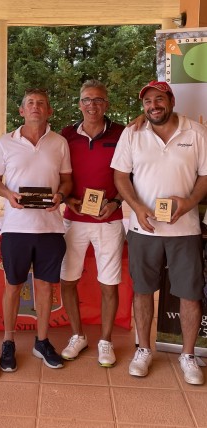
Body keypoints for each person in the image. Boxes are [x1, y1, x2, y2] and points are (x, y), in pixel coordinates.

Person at [111, 81, 207, 385]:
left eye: (159, 99)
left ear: (171, 100)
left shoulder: (195, 132)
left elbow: (206, 176)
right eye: (148, 101)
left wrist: (190, 202)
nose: (154, 105)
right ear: (143, 106)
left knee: (190, 294)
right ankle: (143, 348)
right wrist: (137, 207)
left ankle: (188, 355)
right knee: (142, 291)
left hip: (185, 229)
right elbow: (120, 176)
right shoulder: (133, 133)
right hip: (144, 228)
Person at [0, 88, 72, 371]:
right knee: (13, 286)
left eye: (41, 104)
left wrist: (60, 196)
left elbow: (67, 181)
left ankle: (42, 341)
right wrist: (8, 195)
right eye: (30, 103)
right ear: (21, 111)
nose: (36, 107)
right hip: (16, 228)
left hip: (50, 227)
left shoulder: (59, 143)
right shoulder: (5, 142)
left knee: (45, 287)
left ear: (49, 111)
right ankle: (9, 342)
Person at [59, 80, 125, 367]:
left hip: (110, 219)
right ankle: (78, 335)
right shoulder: (66, 136)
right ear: (79, 104)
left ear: (106, 105)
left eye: (98, 100)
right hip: (74, 219)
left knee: (109, 283)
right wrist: (67, 199)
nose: (92, 105)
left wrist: (117, 202)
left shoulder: (122, 134)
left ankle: (106, 341)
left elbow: (132, 176)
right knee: (67, 279)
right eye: (87, 100)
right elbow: (58, 174)